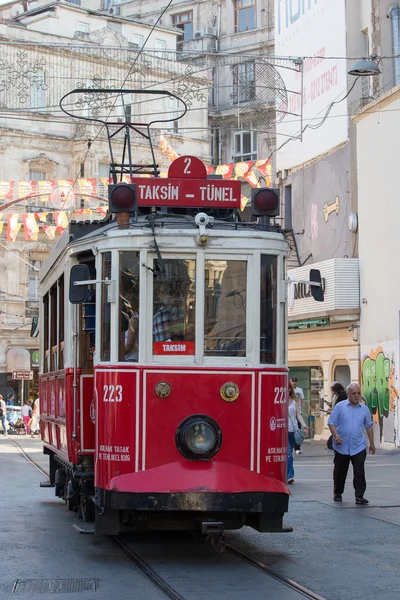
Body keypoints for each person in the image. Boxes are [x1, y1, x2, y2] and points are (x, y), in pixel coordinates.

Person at [328, 383, 375, 504]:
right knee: (340, 471)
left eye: (358, 393)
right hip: (341, 446)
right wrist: (336, 435)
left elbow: (369, 426)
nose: (356, 396)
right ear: (348, 394)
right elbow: (331, 422)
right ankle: (338, 492)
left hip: (358, 445)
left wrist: (372, 443)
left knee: (359, 471)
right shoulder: (340, 407)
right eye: (353, 393)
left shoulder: (364, 409)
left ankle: (359, 496)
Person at [287, 381, 309, 484]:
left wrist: (304, 425)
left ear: (290, 389)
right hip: (283, 431)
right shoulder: (279, 400)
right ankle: (289, 475)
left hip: (293, 430)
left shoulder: (294, 401)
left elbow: (298, 415)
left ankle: (289, 474)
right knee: (288, 454)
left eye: (287, 388)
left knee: (289, 453)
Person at [291, 377, 305, 455]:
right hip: (290, 413)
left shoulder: (300, 390)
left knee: (298, 430)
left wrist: (305, 412)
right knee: (290, 430)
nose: (294, 383)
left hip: (298, 412)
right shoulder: (288, 389)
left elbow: (302, 401)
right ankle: (291, 445)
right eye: (293, 381)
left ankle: (297, 447)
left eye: (295, 381)